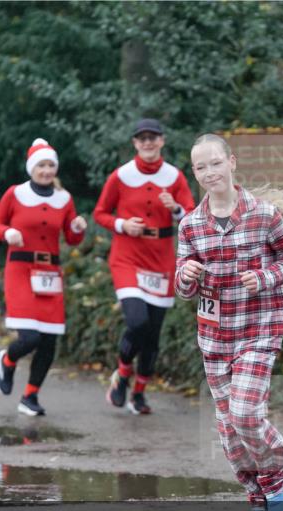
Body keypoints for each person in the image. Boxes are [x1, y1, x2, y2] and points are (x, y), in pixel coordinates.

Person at [175, 134, 283, 511]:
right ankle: (258, 496)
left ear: (231, 162)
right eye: (201, 167)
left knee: (245, 413)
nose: (209, 172)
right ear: (194, 173)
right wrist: (186, 274)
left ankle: (275, 478)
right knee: (230, 430)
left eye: (215, 163)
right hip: (215, 338)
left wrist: (265, 277)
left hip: (258, 330)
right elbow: (182, 288)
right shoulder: (190, 225)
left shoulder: (264, 214)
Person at [93, 119, 195, 415]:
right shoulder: (121, 176)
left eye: (153, 137)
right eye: (142, 138)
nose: (148, 142)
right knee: (137, 322)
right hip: (127, 256)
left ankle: (138, 394)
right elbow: (100, 213)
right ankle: (123, 373)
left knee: (152, 335)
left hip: (161, 258)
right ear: (135, 143)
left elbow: (191, 216)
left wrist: (175, 209)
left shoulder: (174, 176)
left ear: (162, 141)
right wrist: (123, 224)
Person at [0, 138, 87, 416]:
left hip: (50, 273)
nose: (46, 171)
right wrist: (8, 232)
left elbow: (72, 238)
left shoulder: (64, 199)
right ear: (32, 168)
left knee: (49, 340)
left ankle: (30, 396)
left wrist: (78, 228)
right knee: (30, 337)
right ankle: (8, 360)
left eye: (50, 166)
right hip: (20, 270)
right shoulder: (15, 194)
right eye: (41, 165)